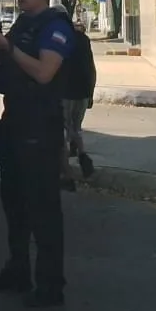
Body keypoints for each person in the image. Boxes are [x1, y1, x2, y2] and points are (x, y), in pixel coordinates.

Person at [0, 0, 75, 307]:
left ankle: (50, 287)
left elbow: (45, 73)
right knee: (14, 204)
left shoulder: (55, 27)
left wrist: (7, 46)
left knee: (43, 210)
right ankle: (18, 271)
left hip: (40, 126)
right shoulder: (22, 25)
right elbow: (2, 71)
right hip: (15, 122)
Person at [60, 14, 96, 187]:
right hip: (82, 91)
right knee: (76, 128)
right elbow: (91, 67)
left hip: (66, 91)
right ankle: (82, 156)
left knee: (63, 130)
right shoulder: (84, 40)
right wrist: (91, 93)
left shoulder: (59, 39)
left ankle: (66, 172)